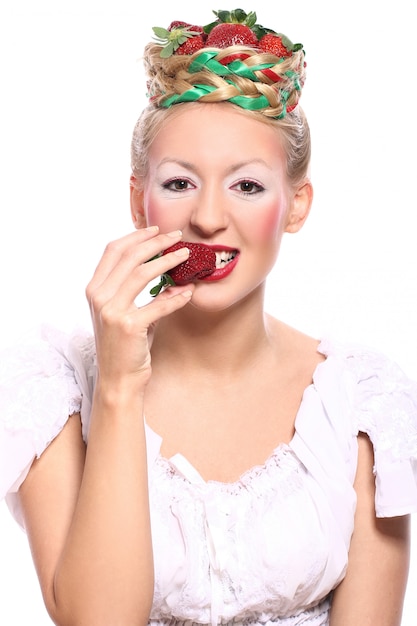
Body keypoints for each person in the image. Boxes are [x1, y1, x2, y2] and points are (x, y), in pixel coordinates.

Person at [1, 7, 417, 626]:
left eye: (247, 186)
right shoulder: (52, 390)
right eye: (178, 184)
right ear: (139, 201)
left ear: (296, 205)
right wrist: (117, 383)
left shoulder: (361, 400)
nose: (209, 220)